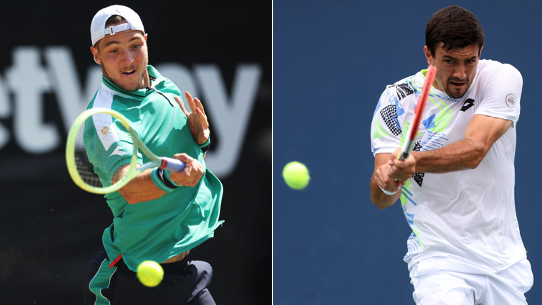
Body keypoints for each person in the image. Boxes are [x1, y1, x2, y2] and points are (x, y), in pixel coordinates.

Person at [370, 5, 533, 305]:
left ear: (480, 52)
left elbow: (475, 150)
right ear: (428, 55)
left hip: (503, 260)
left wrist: (416, 161)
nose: (461, 73)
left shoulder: (501, 79)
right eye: (449, 61)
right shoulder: (396, 101)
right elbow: (383, 198)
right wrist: (388, 181)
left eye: (470, 61)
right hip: (439, 259)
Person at [82, 5, 222, 305]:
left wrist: (201, 140)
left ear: (146, 41)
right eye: (114, 50)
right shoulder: (105, 118)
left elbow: (190, 155)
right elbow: (129, 187)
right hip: (131, 281)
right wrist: (169, 177)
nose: (129, 59)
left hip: (186, 274)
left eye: (135, 46)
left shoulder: (166, 88)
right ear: (96, 56)